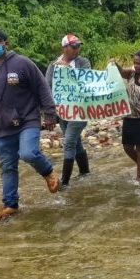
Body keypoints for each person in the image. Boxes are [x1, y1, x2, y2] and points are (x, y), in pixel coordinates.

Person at [0, 28, 60, 222]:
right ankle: (10, 205)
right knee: (7, 167)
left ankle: (48, 172)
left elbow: (41, 87)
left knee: (28, 153)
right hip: (0, 128)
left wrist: (49, 113)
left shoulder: (22, 63)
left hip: (27, 120)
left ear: (5, 43)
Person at [45, 34, 91, 189]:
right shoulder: (53, 66)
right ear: (65, 48)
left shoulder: (83, 62)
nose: (77, 49)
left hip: (80, 110)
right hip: (62, 110)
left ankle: (64, 183)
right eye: (74, 46)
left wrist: (68, 69)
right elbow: (47, 87)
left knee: (69, 142)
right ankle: (85, 172)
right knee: (75, 141)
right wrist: (49, 112)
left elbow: (86, 81)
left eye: (78, 46)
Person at [111, 51, 140, 182]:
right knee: (127, 146)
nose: (135, 65)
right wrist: (115, 64)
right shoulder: (131, 74)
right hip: (129, 116)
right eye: (134, 63)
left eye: (138, 63)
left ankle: (139, 177)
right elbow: (121, 72)